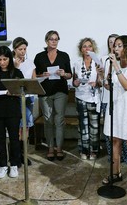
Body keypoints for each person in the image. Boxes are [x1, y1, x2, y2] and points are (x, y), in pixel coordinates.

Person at [97, 35, 127, 191]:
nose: (115, 49)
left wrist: (116, 67)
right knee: (115, 140)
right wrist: (103, 77)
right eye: (114, 46)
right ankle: (116, 173)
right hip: (115, 107)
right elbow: (112, 87)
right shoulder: (112, 64)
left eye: (119, 46)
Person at [0, 46, 24, 179]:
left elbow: (22, 91)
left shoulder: (17, 73)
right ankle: (2, 165)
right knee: (0, 139)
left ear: (10, 59)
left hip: (13, 111)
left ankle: (14, 164)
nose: (2, 62)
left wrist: (15, 92)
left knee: (14, 138)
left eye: (5, 59)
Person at [34, 30, 72, 161]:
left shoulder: (64, 56)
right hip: (44, 92)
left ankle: (59, 148)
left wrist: (64, 74)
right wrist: (41, 75)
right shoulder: (39, 57)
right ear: (46, 41)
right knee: (48, 120)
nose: (54, 41)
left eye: (56, 39)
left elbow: (70, 75)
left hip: (60, 91)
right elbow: (35, 76)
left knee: (59, 120)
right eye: (51, 39)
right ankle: (50, 148)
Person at [100, 34, 127, 165]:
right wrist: (101, 75)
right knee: (110, 132)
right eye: (111, 43)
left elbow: (126, 84)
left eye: (116, 43)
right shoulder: (105, 59)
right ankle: (113, 158)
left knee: (121, 131)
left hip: (121, 100)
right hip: (108, 99)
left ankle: (126, 157)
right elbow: (107, 83)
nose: (113, 46)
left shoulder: (125, 61)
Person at [72, 37, 101, 160]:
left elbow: (101, 81)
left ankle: (94, 150)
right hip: (80, 97)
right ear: (81, 49)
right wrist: (76, 82)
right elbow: (73, 81)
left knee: (94, 126)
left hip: (94, 98)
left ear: (93, 48)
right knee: (83, 126)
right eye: (84, 46)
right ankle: (84, 150)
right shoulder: (77, 63)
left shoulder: (98, 62)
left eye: (89, 46)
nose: (87, 48)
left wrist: (97, 83)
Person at [12, 37, 37, 166]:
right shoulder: (11, 62)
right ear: (14, 49)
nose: (22, 52)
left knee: (25, 126)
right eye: (20, 49)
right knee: (17, 126)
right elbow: (10, 80)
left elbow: (34, 79)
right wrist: (16, 67)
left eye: (24, 49)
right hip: (15, 98)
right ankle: (16, 154)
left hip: (28, 98)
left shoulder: (30, 62)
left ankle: (24, 153)